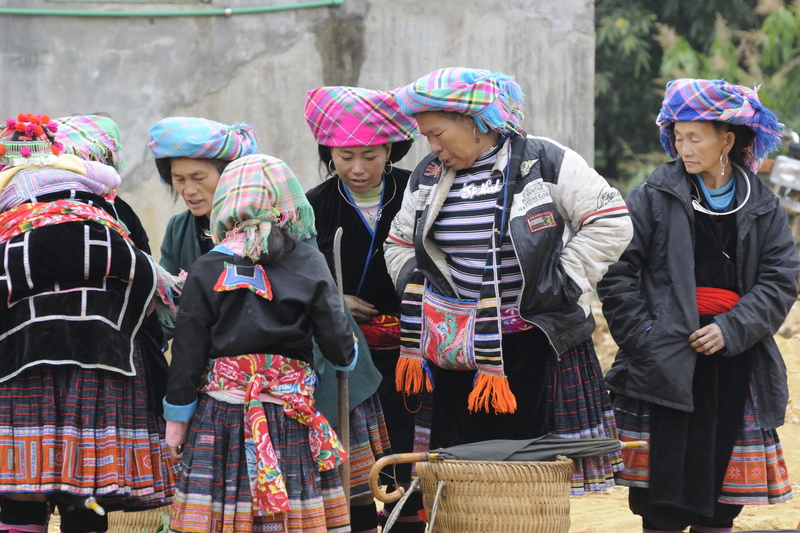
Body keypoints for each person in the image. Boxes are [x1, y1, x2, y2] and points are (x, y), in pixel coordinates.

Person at [384, 67, 633, 494]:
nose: (433, 146)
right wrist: (423, 289)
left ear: (476, 122)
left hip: (531, 344)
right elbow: (398, 241)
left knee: (526, 476)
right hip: (455, 350)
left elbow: (611, 221)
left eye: (439, 133)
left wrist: (564, 281)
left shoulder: (545, 161)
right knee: (459, 472)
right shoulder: (427, 175)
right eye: (427, 136)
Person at [150, 116, 393, 533]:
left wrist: (181, 417)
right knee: (277, 504)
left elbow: (324, 326)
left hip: (286, 393)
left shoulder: (256, 254)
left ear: (227, 183)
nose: (189, 189)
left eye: (198, 177)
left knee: (269, 500)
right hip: (270, 401)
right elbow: (180, 320)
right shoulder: (186, 233)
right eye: (179, 179)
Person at [597, 78, 799, 533]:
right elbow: (616, 271)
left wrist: (732, 328)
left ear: (726, 140)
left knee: (720, 501)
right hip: (665, 356)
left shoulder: (762, 205)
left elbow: (780, 280)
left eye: (694, 137)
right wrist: (646, 336)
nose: (682, 147)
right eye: (677, 136)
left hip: (735, 358)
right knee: (660, 500)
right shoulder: (652, 196)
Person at [0, 113, 180, 533]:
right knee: (89, 490)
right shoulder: (115, 213)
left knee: (18, 485)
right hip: (104, 361)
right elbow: (146, 295)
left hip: (18, 362)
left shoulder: (10, 207)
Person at [303, 86, 424, 532]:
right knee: (360, 450)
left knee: (410, 444)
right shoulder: (313, 206)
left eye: (370, 156)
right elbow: (299, 273)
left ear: (389, 148)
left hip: (417, 348)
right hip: (349, 357)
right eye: (344, 155)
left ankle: (409, 519)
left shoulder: (418, 188)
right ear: (328, 151)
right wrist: (335, 298)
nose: (357, 168)